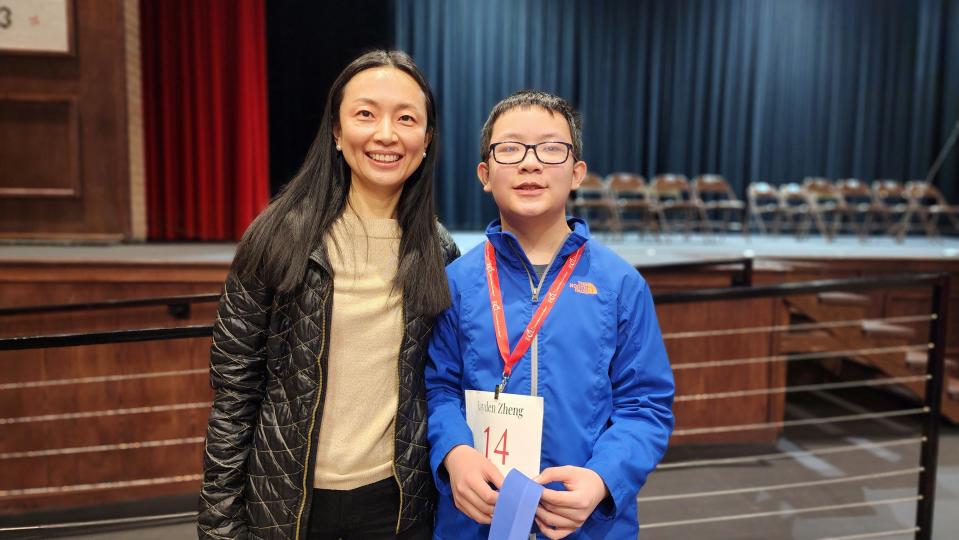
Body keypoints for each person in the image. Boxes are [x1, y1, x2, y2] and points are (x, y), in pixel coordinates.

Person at [198, 50, 459, 540]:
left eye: (406, 118)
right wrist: (219, 527)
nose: (385, 134)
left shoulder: (441, 254)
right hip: (288, 507)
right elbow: (235, 396)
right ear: (337, 133)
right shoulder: (275, 240)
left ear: (425, 141)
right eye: (365, 114)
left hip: (399, 510)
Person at [426, 90, 674, 539]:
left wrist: (602, 479)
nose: (530, 163)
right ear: (485, 174)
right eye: (510, 148)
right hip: (479, 521)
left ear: (577, 172)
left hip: (587, 524)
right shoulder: (456, 283)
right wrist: (455, 453)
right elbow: (439, 388)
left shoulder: (620, 285)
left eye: (551, 148)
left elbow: (646, 405)